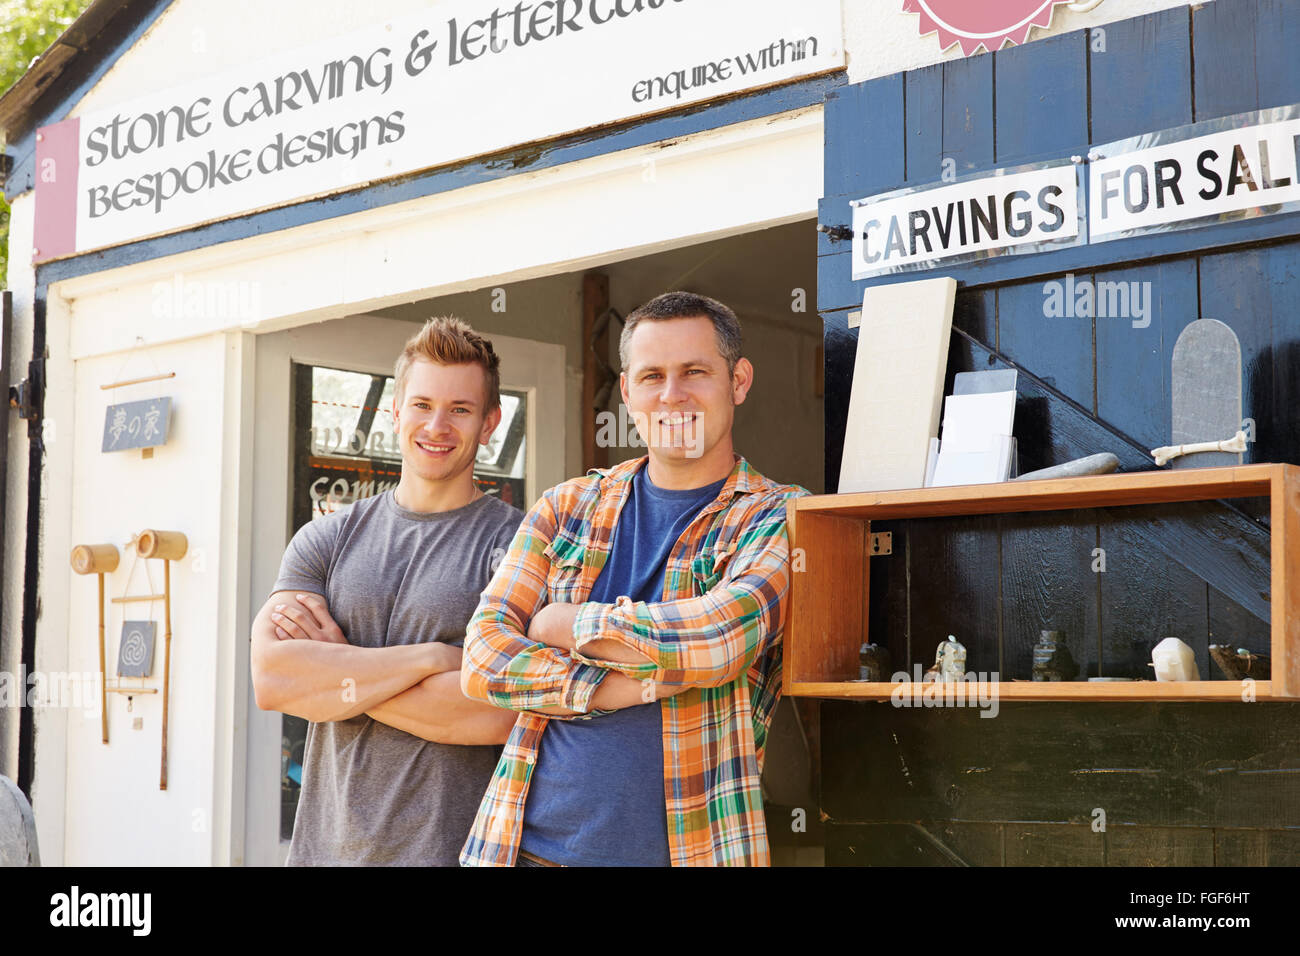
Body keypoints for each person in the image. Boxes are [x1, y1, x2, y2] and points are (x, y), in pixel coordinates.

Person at [460, 291, 805, 867]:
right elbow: (483, 658)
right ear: (627, 392)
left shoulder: (779, 515)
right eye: (652, 377)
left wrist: (562, 623)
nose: (673, 395)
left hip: (690, 854)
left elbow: (718, 640)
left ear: (738, 381)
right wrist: (617, 687)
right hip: (522, 851)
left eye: (694, 371)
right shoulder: (565, 506)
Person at [250, 317, 523, 865]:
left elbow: (499, 713)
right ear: (396, 410)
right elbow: (275, 681)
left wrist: (339, 672)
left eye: (460, 410)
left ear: (490, 422)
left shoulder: (518, 546)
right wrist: (433, 659)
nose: (437, 425)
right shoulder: (325, 538)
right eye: (422, 405)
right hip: (324, 853)